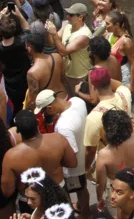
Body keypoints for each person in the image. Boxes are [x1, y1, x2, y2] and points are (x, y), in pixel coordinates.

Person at [0, 110, 76, 210]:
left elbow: (7, 191)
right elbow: (72, 163)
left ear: (17, 130)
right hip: (58, 193)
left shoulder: (11, 156)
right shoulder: (58, 139)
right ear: (37, 122)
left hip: (30, 201)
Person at [34, 89, 90, 219]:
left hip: (73, 170)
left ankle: (84, 215)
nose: (44, 115)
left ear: (49, 107)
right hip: (83, 157)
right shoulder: (77, 101)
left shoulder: (63, 126)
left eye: (44, 111)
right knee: (82, 188)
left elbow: (71, 154)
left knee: (70, 193)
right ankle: (85, 211)